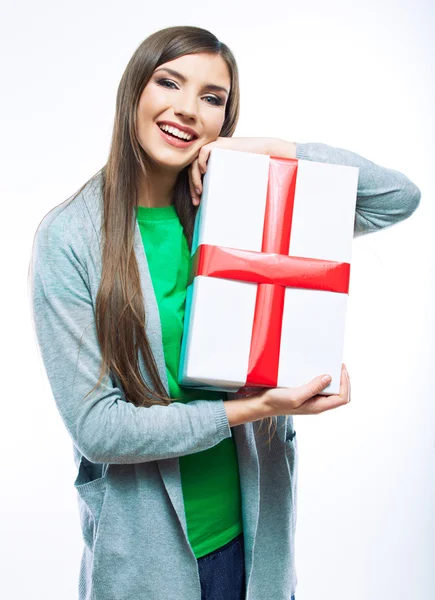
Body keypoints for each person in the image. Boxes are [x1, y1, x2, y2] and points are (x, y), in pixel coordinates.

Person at [29, 24, 421, 600]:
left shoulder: (250, 202)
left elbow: (397, 199)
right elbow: (99, 429)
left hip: (258, 542)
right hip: (150, 556)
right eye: (170, 82)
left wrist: (266, 151)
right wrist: (254, 408)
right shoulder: (70, 238)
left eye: (212, 98)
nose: (187, 110)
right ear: (134, 90)